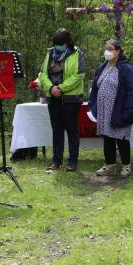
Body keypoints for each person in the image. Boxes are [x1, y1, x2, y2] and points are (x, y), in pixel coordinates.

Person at [88, 39, 133, 177]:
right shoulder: (102, 67)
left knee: (121, 138)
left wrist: (128, 110)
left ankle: (126, 165)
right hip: (104, 110)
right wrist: (93, 106)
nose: (107, 52)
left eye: (110, 49)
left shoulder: (125, 68)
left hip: (119, 109)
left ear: (118, 52)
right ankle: (109, 164)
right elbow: (95, 88)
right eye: (106, 49)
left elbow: (132, 90)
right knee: (107, 137)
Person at [38, 28, 85, 172]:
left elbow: (79, 74)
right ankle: (56, 161)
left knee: (72, 130)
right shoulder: (50, 53)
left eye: (60, 44)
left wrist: (62, 88)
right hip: (53, 98)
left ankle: (72, 161)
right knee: (57, 130)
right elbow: (42, 73)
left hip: (71, 99)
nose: (57, 46)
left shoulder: (77, 53)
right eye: (55, 43)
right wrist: (51, 87)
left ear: (67, 42)